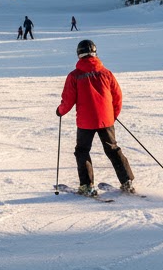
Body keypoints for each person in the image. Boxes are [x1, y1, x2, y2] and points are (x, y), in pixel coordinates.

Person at [57, 40, 136, 195]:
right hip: (106, 119)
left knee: (82, 151)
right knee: (113, 149)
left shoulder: (75, 76)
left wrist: (60, 111)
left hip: (86, 122)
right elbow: (117, 97)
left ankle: (87, 185)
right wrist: (112, 115)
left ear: (79, 54)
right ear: (95, 53)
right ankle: (127, 181)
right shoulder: (106, 73)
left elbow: (68, 100)